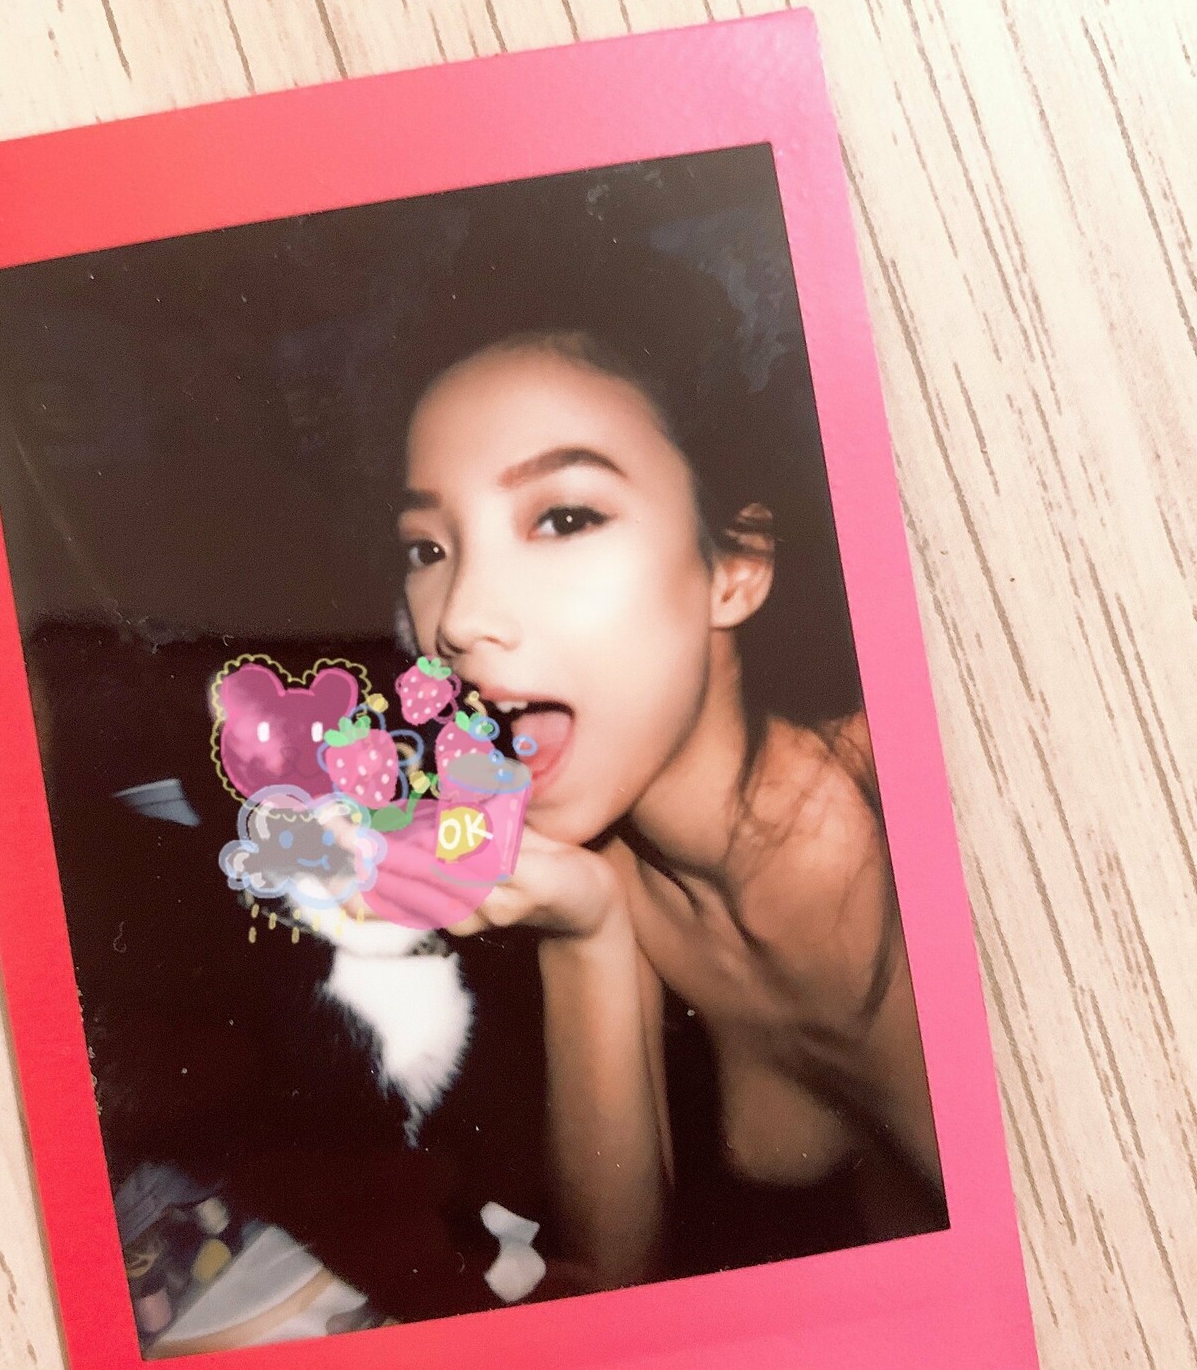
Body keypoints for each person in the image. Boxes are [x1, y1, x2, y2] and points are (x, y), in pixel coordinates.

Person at [360, 215, 947, 1296]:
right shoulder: (620, 877)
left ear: (735, 567)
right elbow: (616, 1287)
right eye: (428, 548)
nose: (458, 618)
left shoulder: (927, 808)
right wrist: (583, 930)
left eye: (563, 517)